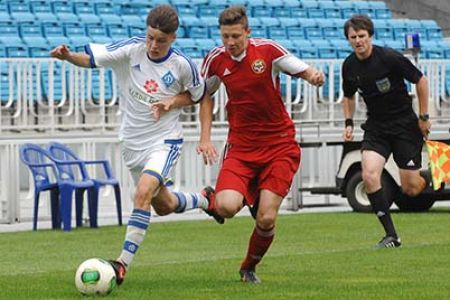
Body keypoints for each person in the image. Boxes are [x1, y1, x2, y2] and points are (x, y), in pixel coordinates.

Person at [50, 5, 222, 286]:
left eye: (161, 40)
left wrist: (175, 106)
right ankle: (204, 199)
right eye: (150, 37)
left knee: (142, 194)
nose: (154, 45)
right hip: (131, 143)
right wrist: (68, 57)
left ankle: (121, 265)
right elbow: (92, 60)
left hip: (164, 141)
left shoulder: (182, 65)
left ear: (173, 38)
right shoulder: (132, 50)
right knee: (163, 205)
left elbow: (200, 95)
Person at [198, 6, 324, 284]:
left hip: (279, 146)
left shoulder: (267, 51)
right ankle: (214, 200)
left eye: (235, 36)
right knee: (228, 207)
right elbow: (204, 96)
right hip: (242, 147)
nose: (230, 43)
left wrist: (314, 76)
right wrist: (205, 137)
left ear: (247, 32)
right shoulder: (216, 59)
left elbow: (301, 69)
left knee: (266, 219)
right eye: (225, 37)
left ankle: (248, 268)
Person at [341, 15, 432, 248]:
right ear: (348, 40)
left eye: (362, 36)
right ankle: (391, 235)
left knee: (411, 189)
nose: (358, 41)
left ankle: (433, 179)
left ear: (370, 36)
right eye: (354, 37)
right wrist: (349, 122)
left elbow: (421, 81)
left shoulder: (390, 58)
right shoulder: (349, 66)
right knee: (369, 175)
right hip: (376, 127)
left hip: (404, 125)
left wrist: (423, 117)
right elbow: (349, 95)